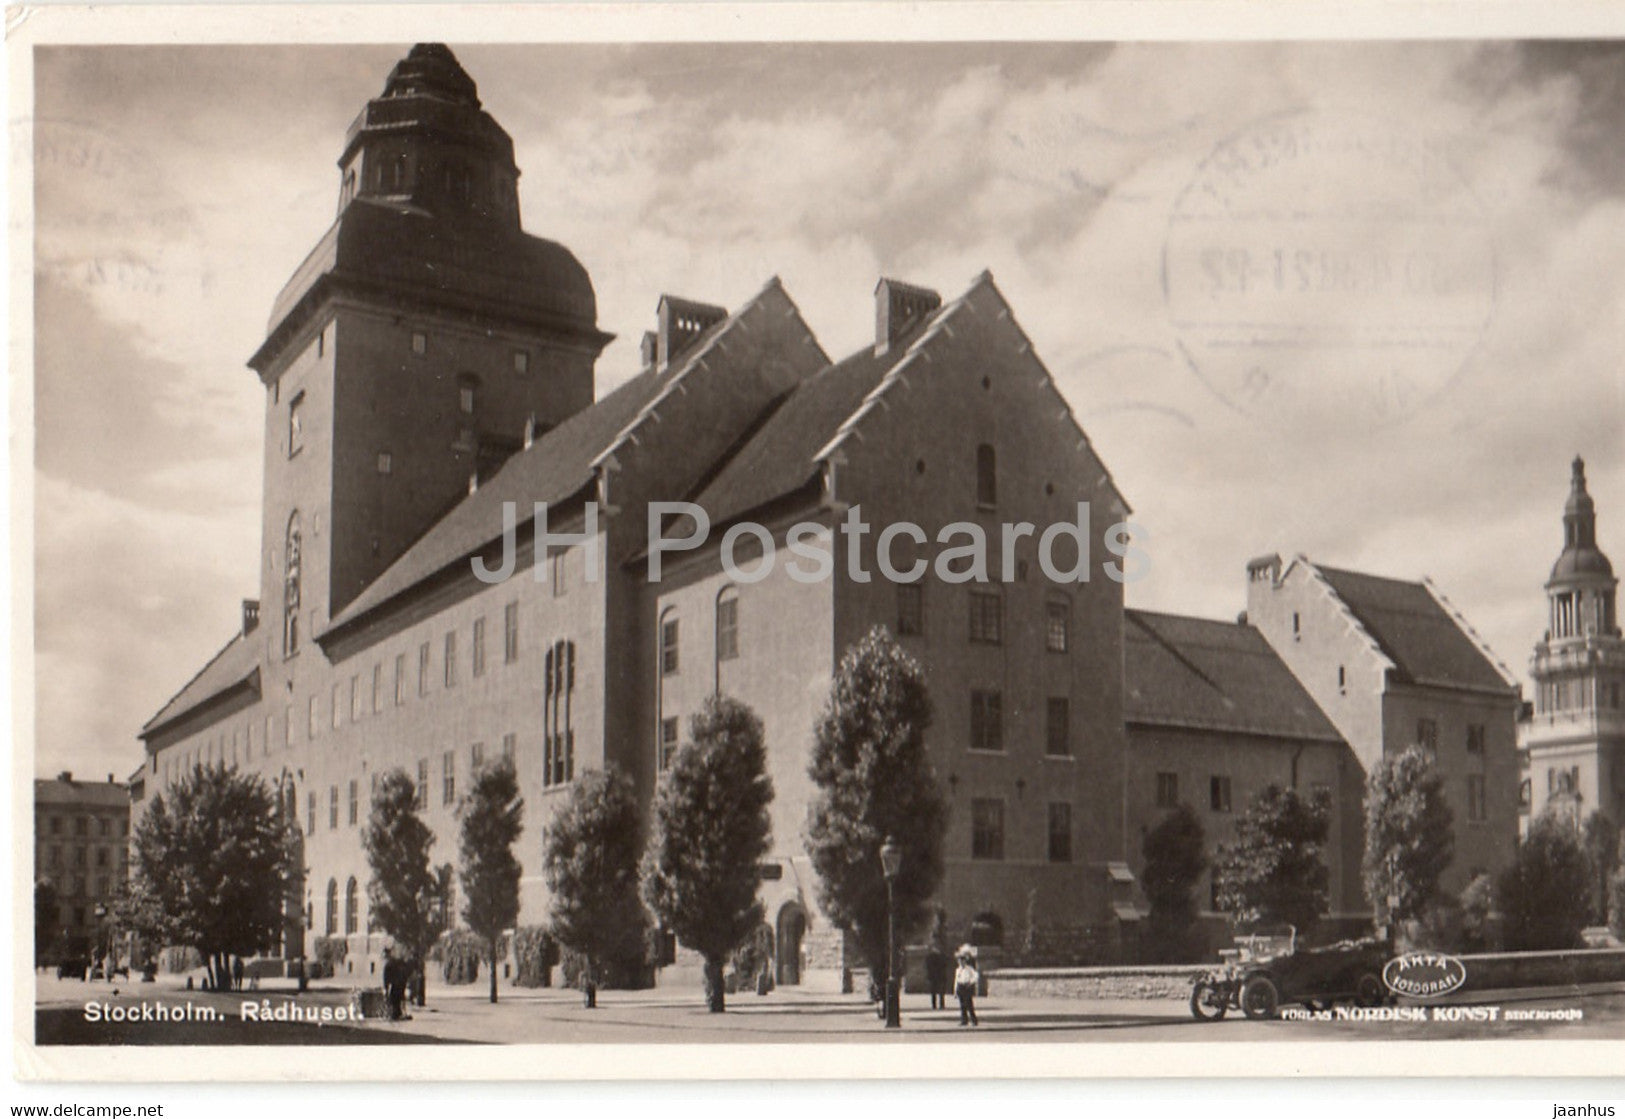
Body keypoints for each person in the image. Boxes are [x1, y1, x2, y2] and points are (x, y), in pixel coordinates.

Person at [954, 951, 980, 1027]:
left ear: (965, 961)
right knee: (962, 1005)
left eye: (962, 961)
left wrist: (970, 982)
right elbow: (956, 980)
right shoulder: (958, 970)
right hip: (960, 986)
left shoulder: (969, 969)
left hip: (967, 986)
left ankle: (974, 1020)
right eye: (959, 961)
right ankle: (964, 1020)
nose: (960, 963)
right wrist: (955, 991)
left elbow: (976, 976)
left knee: (969, 1004)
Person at [382, 947, 408, 1021]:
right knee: (398, 998)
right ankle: (398, 1013)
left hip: (396, 984)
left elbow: (386, 978)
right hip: (400, 983)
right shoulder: (396, 962)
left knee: (394, 999)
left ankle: (396, 1013)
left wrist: (386, 988)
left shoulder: (389, 964)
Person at [925, 945, 949, 1010]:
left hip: (934, 976)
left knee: (935, 991)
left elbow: (927, 967)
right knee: (939, 991)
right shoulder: (942, 956)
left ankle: (935, 1005)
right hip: (939, 976)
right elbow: (945, 965)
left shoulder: (930, 957)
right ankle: (940, 1005)